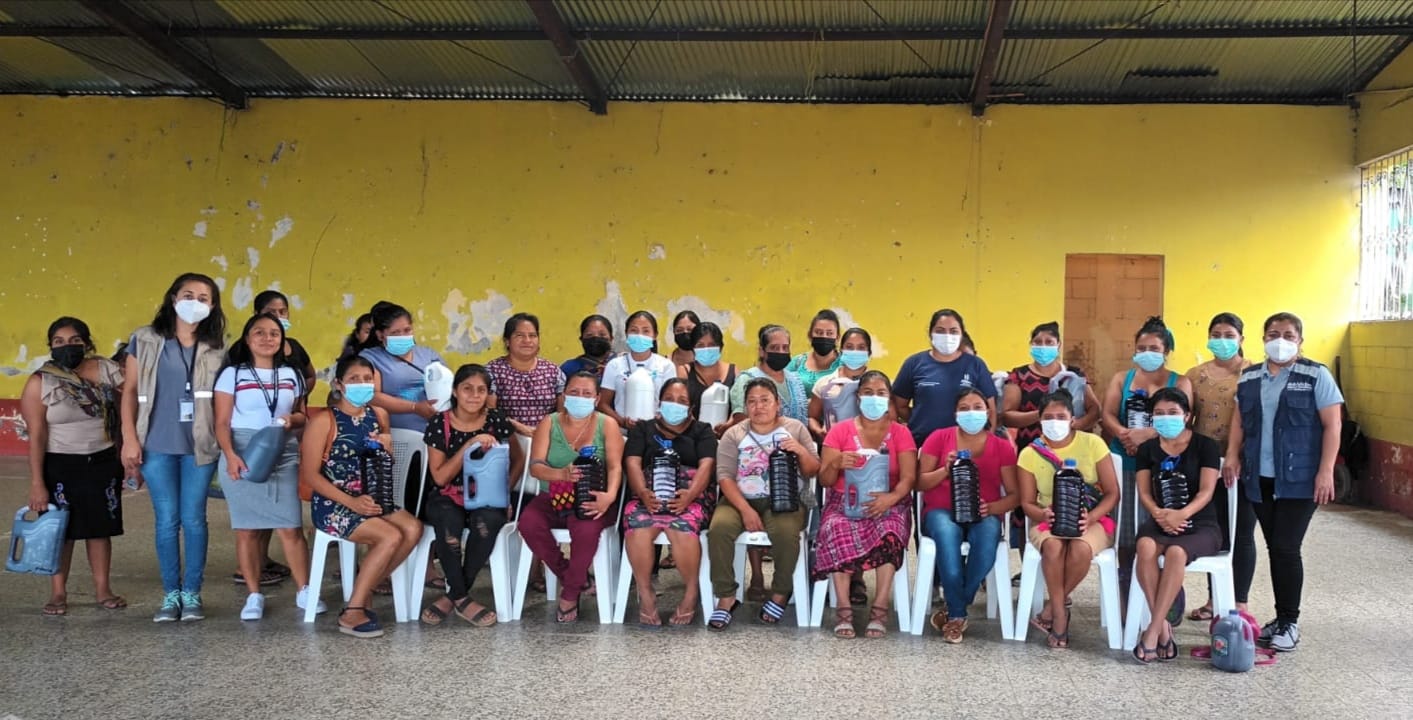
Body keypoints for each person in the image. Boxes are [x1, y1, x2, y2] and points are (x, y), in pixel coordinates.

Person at [1224, 312, 1343, 652]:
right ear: (1263, 339)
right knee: (1275, 547)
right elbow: (1239, 422)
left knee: (1287, 547)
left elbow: (1333, 425)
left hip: (1300, 479)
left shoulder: (1316, 375)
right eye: (1273, 334)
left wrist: (1326, 470)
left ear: (1300, 341)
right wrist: (1232, 455)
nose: (1280, 340)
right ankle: (1280, 619)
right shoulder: (1249, 377)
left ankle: (1290, 622)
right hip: (1258, 477)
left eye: (1289, 335)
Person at [120, 272, 226, 623]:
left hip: (201, 446)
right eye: (188, 295)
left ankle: (192, 592)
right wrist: (129, 439)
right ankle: (171, 595)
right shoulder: (145, 339)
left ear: (213, 306)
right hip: (155, 444)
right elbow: (129, 392)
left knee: (194, 519)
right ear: (173, 298)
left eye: (204, 298)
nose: (195, 302)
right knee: (166, 520)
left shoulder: (217, 347)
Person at [302, 355, 423, 638]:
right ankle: (354, 610)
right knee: (390, 536)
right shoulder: (324, 421)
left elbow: (383, 462)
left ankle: (364, 588)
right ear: (339, 384)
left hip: (373, 497)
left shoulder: (379, 415)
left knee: (412, 528)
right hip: (334, 504)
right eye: (354, 379)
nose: (362, 384)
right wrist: (352, 502)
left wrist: (387, 445)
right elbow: (310, 476)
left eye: (367, 379)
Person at [213, 313, 323, 621]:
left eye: (274, 333)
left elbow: (301, 415)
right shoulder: (232, 374)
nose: (267, 338)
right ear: (247, 340)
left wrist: (291, 419)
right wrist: (230, 455)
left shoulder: (291, 374)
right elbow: (221, 422)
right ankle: (253, 594)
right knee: (247, 529)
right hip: (243, 450)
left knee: (290, 526)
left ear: (282, 340)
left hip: (282, 450)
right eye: (259, 333)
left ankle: (304, 591)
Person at [21, 317, 126, 616]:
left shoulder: (106, 370)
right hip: (60, 464)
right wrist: (37, 483)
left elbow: (131, 403)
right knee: (60, 530)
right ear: (50, 346)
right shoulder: (41, 382)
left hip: (103, 461)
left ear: (87, 343)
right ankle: (58, 592)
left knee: (99, 529)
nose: (67, 347)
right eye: (59, 342)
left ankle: (103, 589)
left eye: (75, 341)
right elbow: (37, 436)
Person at [707, 378, 820, 630]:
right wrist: (745, 510)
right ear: (745, 406)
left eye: (765, 400)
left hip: (786, 498)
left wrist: (800, 450)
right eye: (752, 402)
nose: (758, 407)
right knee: (719, 529)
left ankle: (780, 592)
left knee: (785, 532)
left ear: (777, 403)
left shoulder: (795, 428)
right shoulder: (733, 434)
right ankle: (726, 596)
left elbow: (813, 470)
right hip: (738, 499)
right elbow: (724, 477)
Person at [813, 371, 916, 639]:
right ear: (858, 398)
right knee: (834, 528)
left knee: (890, 531)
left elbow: (908, 479)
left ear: (889, 399)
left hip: (890, 501)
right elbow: (825, 480)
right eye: (868, 392)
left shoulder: (901, 433)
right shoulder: (840, 431)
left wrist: (890, 498)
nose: (874, 398)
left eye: (881, 393)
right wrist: (836, 463)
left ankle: (880, 608)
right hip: (843, 501)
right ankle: (843, 609)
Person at [419, 364, 524, 627]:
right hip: (447, 494)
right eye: (467, 389)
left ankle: (454, 595)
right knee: (449, 528)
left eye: (481, 390)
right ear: (455, 391)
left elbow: (519, 460)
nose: (475, 396)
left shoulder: (496, 419)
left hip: (488, 495)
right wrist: (469, 445)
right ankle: (462, 598)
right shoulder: (439, 423)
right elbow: (440, 477)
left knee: (486, 525)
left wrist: (504, 493)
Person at [1016, 389, 1120, 648]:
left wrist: (1091, 517)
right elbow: (1027, 503)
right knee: (1053, 546)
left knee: (1080, 548)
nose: (1055, 423)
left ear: (1073, 419)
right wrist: (1043, 514)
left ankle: (1052, 608)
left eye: (1061, 417)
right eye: (1048, 417)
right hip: (1047, 519)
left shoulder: (1093, 444)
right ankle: (1061, 613)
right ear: (1039, 421)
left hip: (1093, 519)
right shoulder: (1030, 453)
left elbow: (1112, 493)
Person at [519, 371, 625, 623]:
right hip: (553, 494)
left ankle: (569, 595)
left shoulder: (607, 424)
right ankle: (573, 577)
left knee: (586, 531)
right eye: (574, 392)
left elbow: (615, 467)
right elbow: (536, 467)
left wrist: (609, 496)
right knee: (528, 524)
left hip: (593, 496)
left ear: (597, 399)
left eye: (587, 394)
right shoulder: (549, 422)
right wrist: (561, 474)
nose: (580, 397)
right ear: (564, 395)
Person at [918, 388, 1019, 643]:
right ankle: (958, 612)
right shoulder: (938, 438)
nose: (971, 413)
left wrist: (993, 508)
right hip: (941, 511)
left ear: (988, 412)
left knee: (986, 541)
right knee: (947, 537)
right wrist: (945, 469)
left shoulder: (1002, 447)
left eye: (977, 407)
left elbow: (1015, 496)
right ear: (955, 413)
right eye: (964, 408)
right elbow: (919, 483)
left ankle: (954, 609)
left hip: (984, 512)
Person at [1101, 316, 1193, 593]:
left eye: (1154, 348)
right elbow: (1107, 414)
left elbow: (1185, 420)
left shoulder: (1181, 381)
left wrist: (1148, 435)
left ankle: (1167, 588)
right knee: (1125, 530)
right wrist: (1125, 435)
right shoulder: (1122, 379)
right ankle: (1125, 585)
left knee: (1160, 527)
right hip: (1125, 461)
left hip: (1164, 466)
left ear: (1166, 351)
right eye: (1141, 348)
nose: (1146, 354)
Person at [1131, 388, 1222, 663]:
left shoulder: (1206, 446)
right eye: (1159, 413)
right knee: (1145, 546)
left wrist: (1182, 514)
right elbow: (1144, 492)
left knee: (1175, 552)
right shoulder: (1147, 449)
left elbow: (1207, 491)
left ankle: (1153, 631)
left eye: (1172, 412)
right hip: (1160, 519)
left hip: (1200, 522)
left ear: (1187, 416)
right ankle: (1163, 627)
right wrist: (1158, 513)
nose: (1165, 418)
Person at [236, 289, 317, 590]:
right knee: (251, 522)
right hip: (249, 445)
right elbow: (223, 412)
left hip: (284, 442)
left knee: (285, 517)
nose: (279, 317)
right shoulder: (237, 361)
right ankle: (251, 575)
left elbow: (308, 380)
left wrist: (294, 405)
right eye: (272, 312)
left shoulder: (293, 357)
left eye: (283, 312)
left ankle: (303, 589)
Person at [622, 379, 718, 627]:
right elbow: (632, 462)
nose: (674, 404)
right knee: (637, 528)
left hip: (691, 496)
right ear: (659, 401)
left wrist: (690, 494)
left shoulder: (703, 431)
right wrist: (643, 492)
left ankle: (691, 592)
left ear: (691, 407)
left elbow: (707, 466)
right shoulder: (642, 429)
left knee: (682, 529)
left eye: (682, 401)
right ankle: (645, 593)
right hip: (648, 496)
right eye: (669, 399)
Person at [729, 324, 809, 600]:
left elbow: (802, 419)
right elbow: (741, 421)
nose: (781, 352)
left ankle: (784, 581)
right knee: (753, 500)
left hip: (791, 466)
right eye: (774, 348)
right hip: (754, 465)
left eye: (785, 348)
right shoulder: (747, 379)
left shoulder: (794, 380)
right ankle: (756, 576)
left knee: (792, 518)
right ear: (762, 350)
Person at [1185, 312, 1254, 622]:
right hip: (1206, 464)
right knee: (1214, 530)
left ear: (1241, 339)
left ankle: (1240, 603)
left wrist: (1236, 455)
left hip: (1243, 463)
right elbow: (1187, 417)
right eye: (1216, 335)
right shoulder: (1195, 375)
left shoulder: (1254, 373)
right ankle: (1215, 599)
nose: (1222, 341)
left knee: (1242, 532)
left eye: (1229, 335)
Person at [892, 309, 999, 447]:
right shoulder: (914, 363)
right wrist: (922, 418)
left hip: (966, 445)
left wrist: (987, 443)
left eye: (953, 331)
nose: (947, 336)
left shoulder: (975, 365)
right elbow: (900, 405)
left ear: (961, 335)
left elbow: (991, 410)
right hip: (922, 443)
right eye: (940, 331)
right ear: (930, 333)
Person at [1003, 321, 1101, 447]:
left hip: (1072, 447)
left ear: (1058, 344)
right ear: (1031, 344)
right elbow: (1007, 416)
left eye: (1049, 342)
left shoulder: (1074, 375)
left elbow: (1094, 409)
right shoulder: (1018, 376)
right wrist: (1043, 413)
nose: (1043, 346)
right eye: (1038, 342)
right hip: (1032, 447)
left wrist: (1079, 424)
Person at [358, 301, 444, 432]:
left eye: (407, 330)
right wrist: (415, 407)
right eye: (395, 333)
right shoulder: (370, 358)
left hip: (434, 431)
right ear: (380, 335)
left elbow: (448, 385)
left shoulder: (428, 355)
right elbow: (372, 396)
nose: (402, 336)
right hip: (395, 433)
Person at [486, 312, 566, 437]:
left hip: (548, 438)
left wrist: (543, 433)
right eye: (520, 335)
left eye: (532, 335)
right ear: (507, 341)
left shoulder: (553, 371)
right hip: (507, 439)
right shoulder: (493, 371)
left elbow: (562, 414)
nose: (527, 341)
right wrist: (519, 428)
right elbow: (489, 412)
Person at [599, 311, 676, 430]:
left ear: (655, 335)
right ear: (626, 333)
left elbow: (671, 402)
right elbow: (603, 403)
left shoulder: (666, 366)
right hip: (622, 432)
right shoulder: (614, 365)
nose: (640, 335)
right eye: (634, 330)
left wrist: (657, 422)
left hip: (657, 431)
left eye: (646, 331)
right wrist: (622, 422)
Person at [808, 327, 874, 438]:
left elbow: (889, 419)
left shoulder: (878, 384)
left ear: (869, 352)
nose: (855, 352)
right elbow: (812, 417)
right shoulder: (824, 384)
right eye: (849, 347)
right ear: (841, 350)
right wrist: (819, 431)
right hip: (833, 443)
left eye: (861, 347)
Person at [677, 321, 737, 432]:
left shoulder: (734, 371)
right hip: (692, 434)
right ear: (693, 349)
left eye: (712, 345)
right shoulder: (684, 371)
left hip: (726, 435)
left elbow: (739, 407)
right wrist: (700, 431)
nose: (706, 349)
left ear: (720, 347)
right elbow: (681, 405)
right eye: (700, 345)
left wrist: (729, 424)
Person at [785, 309, 843, 408]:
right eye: (819, 332)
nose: (824, 337)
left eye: (829, 333)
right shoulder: (797, 363)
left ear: (837, 337)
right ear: (810, 335)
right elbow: (781, 391)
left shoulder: (845, 365)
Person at [561, 314, 614, 381]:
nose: (596, 338)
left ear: (611, 338)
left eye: (602, 335)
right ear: (581, 339)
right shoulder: (569, 368)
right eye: (589, 335)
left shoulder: (621, 364)